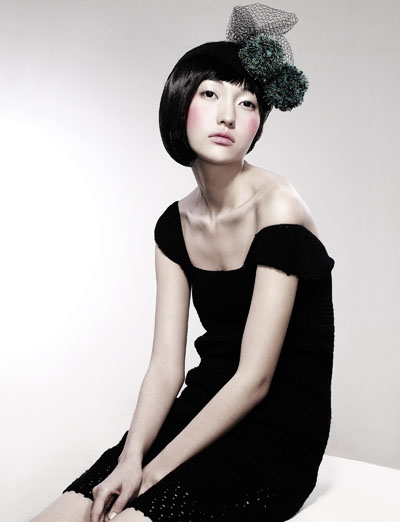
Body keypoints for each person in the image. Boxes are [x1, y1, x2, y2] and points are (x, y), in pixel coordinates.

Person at [30, 4, 335, 522]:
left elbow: (255, 379)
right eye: (210, 94)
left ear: (258, 124)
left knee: (132, 515)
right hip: (201, 406)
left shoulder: (278, 207)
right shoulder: (174, 225)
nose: (228, 115)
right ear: (180, 103)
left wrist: (152, 475)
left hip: (276, 427)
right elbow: (166, 367)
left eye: (247, 103)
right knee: (63, 514)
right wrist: (131, 458)